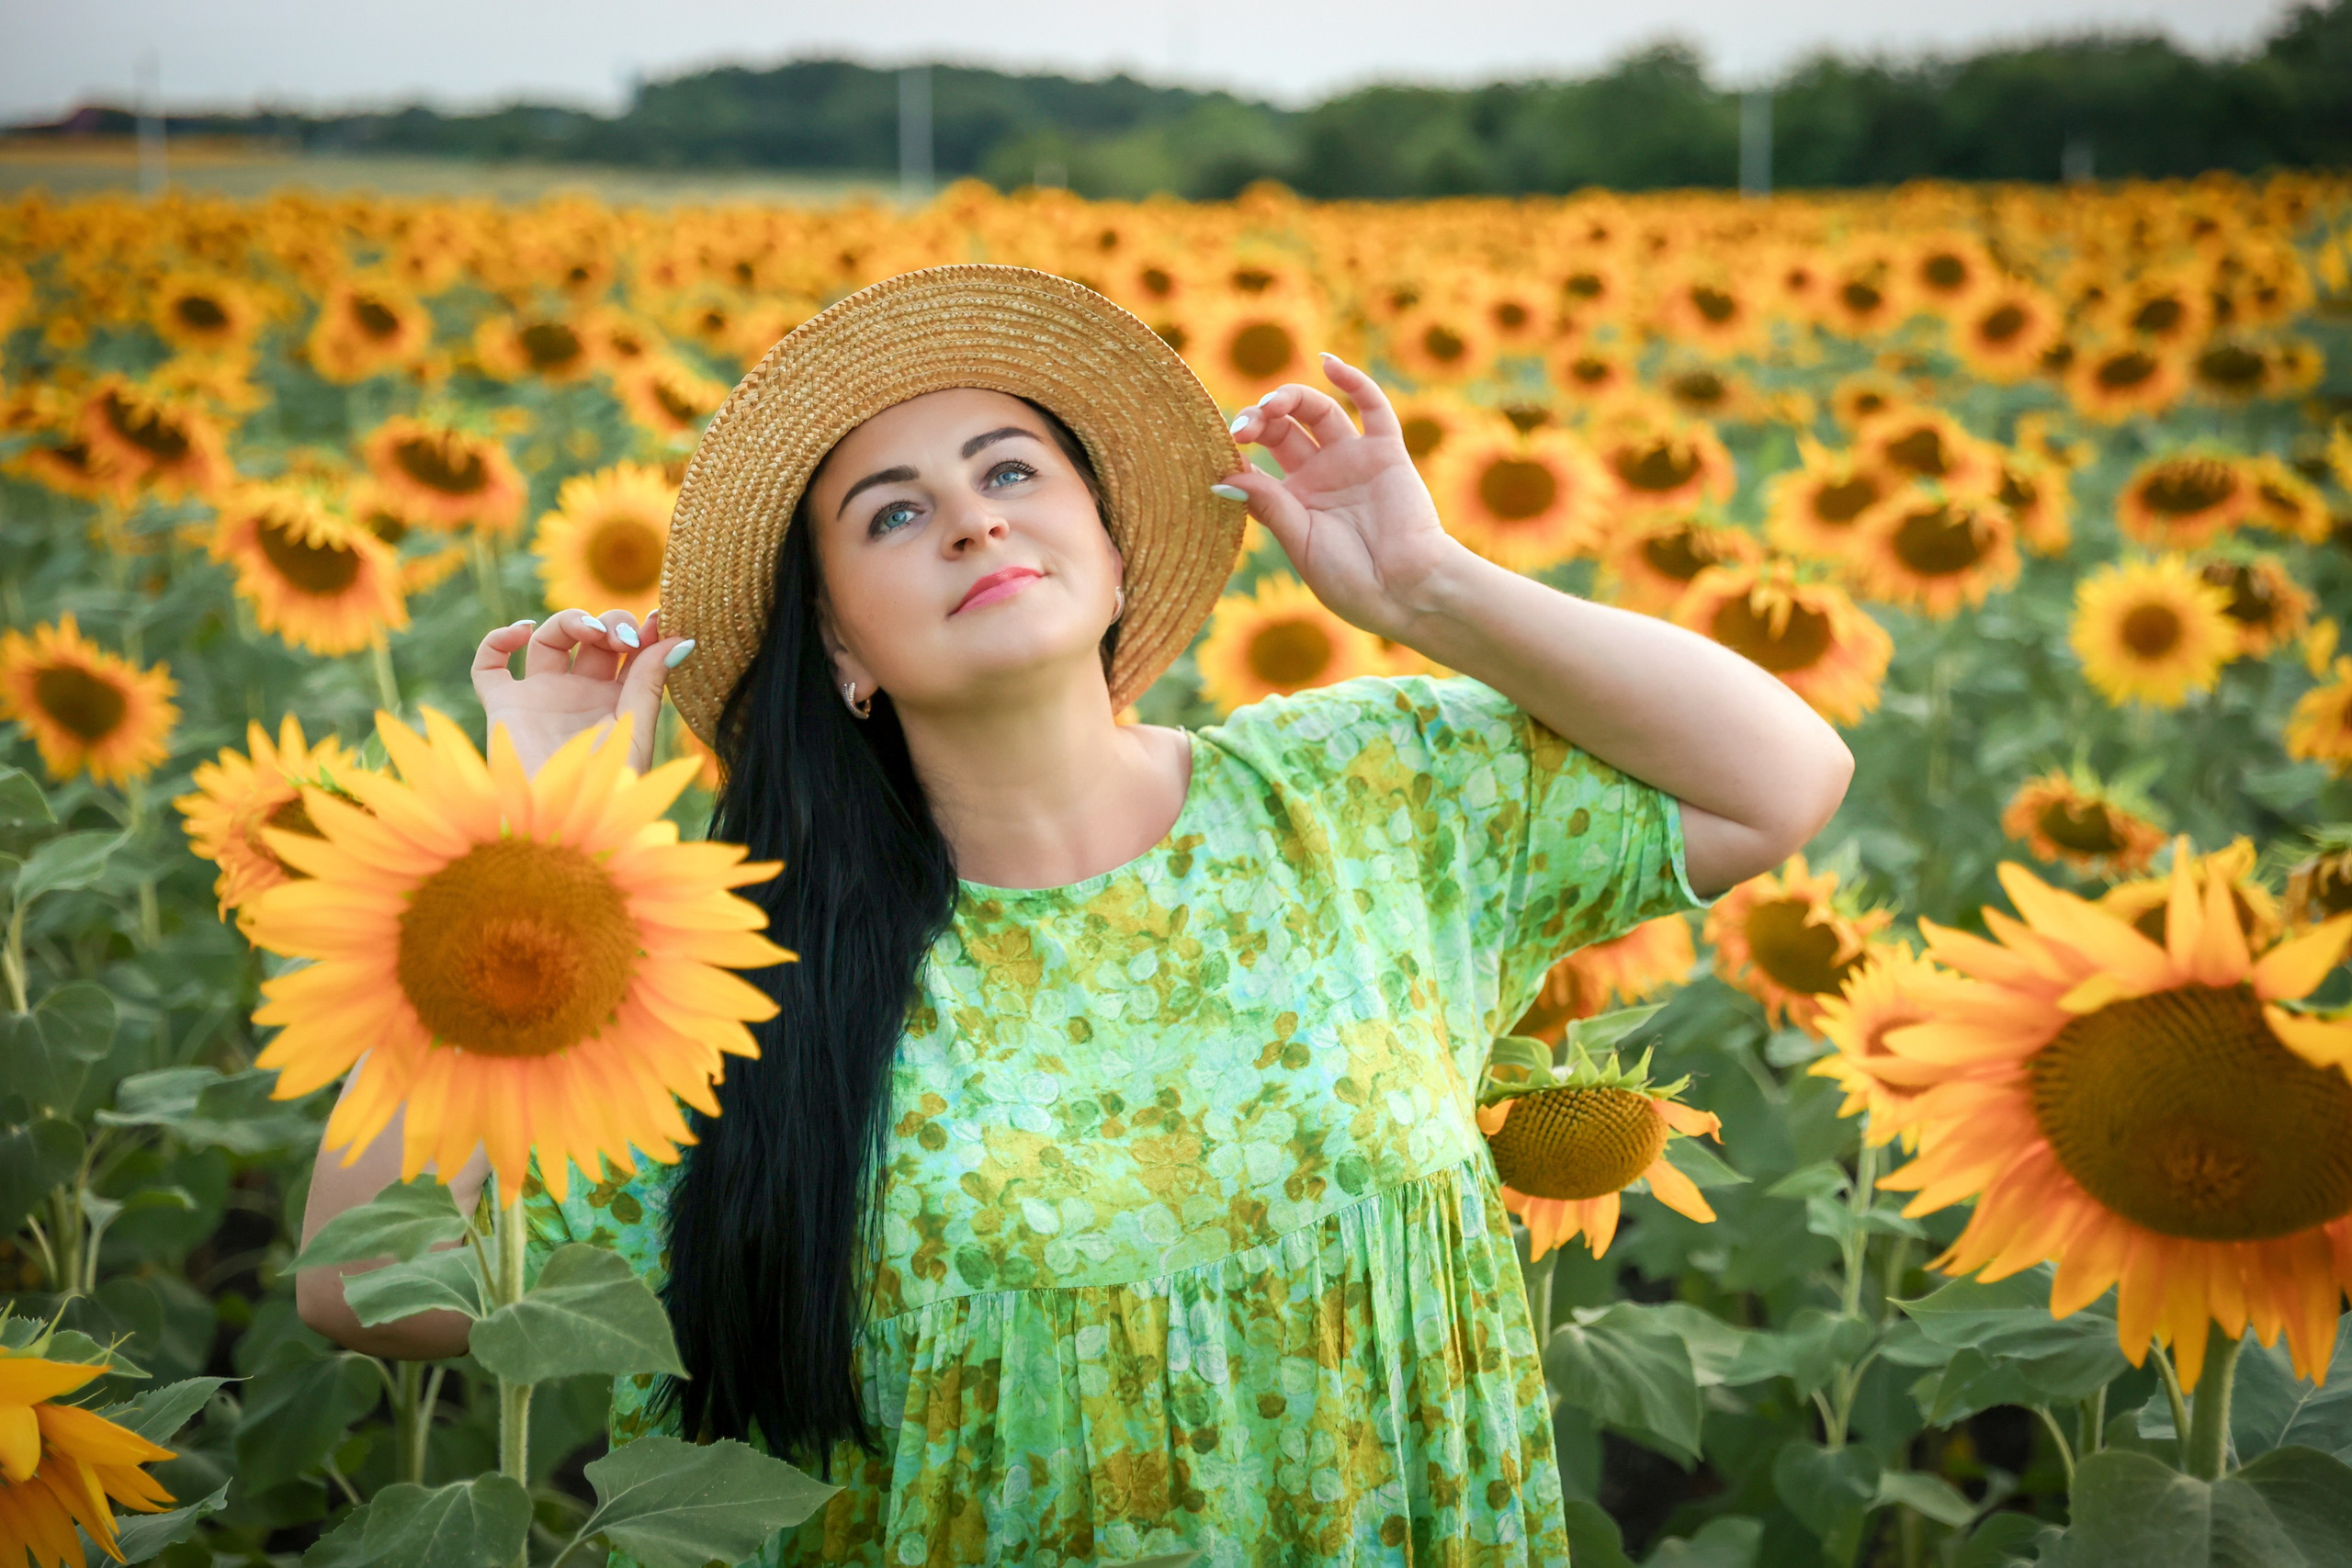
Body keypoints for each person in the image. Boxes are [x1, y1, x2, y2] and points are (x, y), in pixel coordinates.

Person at [297, 265, 1852, 1566]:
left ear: (1112, 554)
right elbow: (367, 1284)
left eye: (1010, 472)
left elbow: (1779, 780)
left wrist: (1425, 587)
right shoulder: (744, 968)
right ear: (841, 653)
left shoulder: (1360, 792)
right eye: (891, 515)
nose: (973, 522)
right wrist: (541, 840)